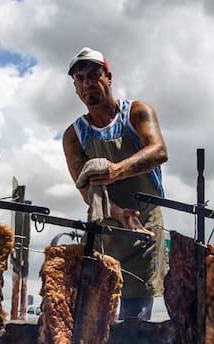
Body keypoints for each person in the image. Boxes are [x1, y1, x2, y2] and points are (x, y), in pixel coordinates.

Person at [61, 46, 168, 320]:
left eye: (93, 75)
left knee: (134, 322)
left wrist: (116, 170)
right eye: (80, 79)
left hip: (143, 229)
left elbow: (158, 151)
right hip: (104, 229)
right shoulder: (74, 135)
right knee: (94, 315)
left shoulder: (136, 113)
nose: (87, 84)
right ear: (75, 88)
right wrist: (119, 214)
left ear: (108, 77)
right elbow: (86, 191)